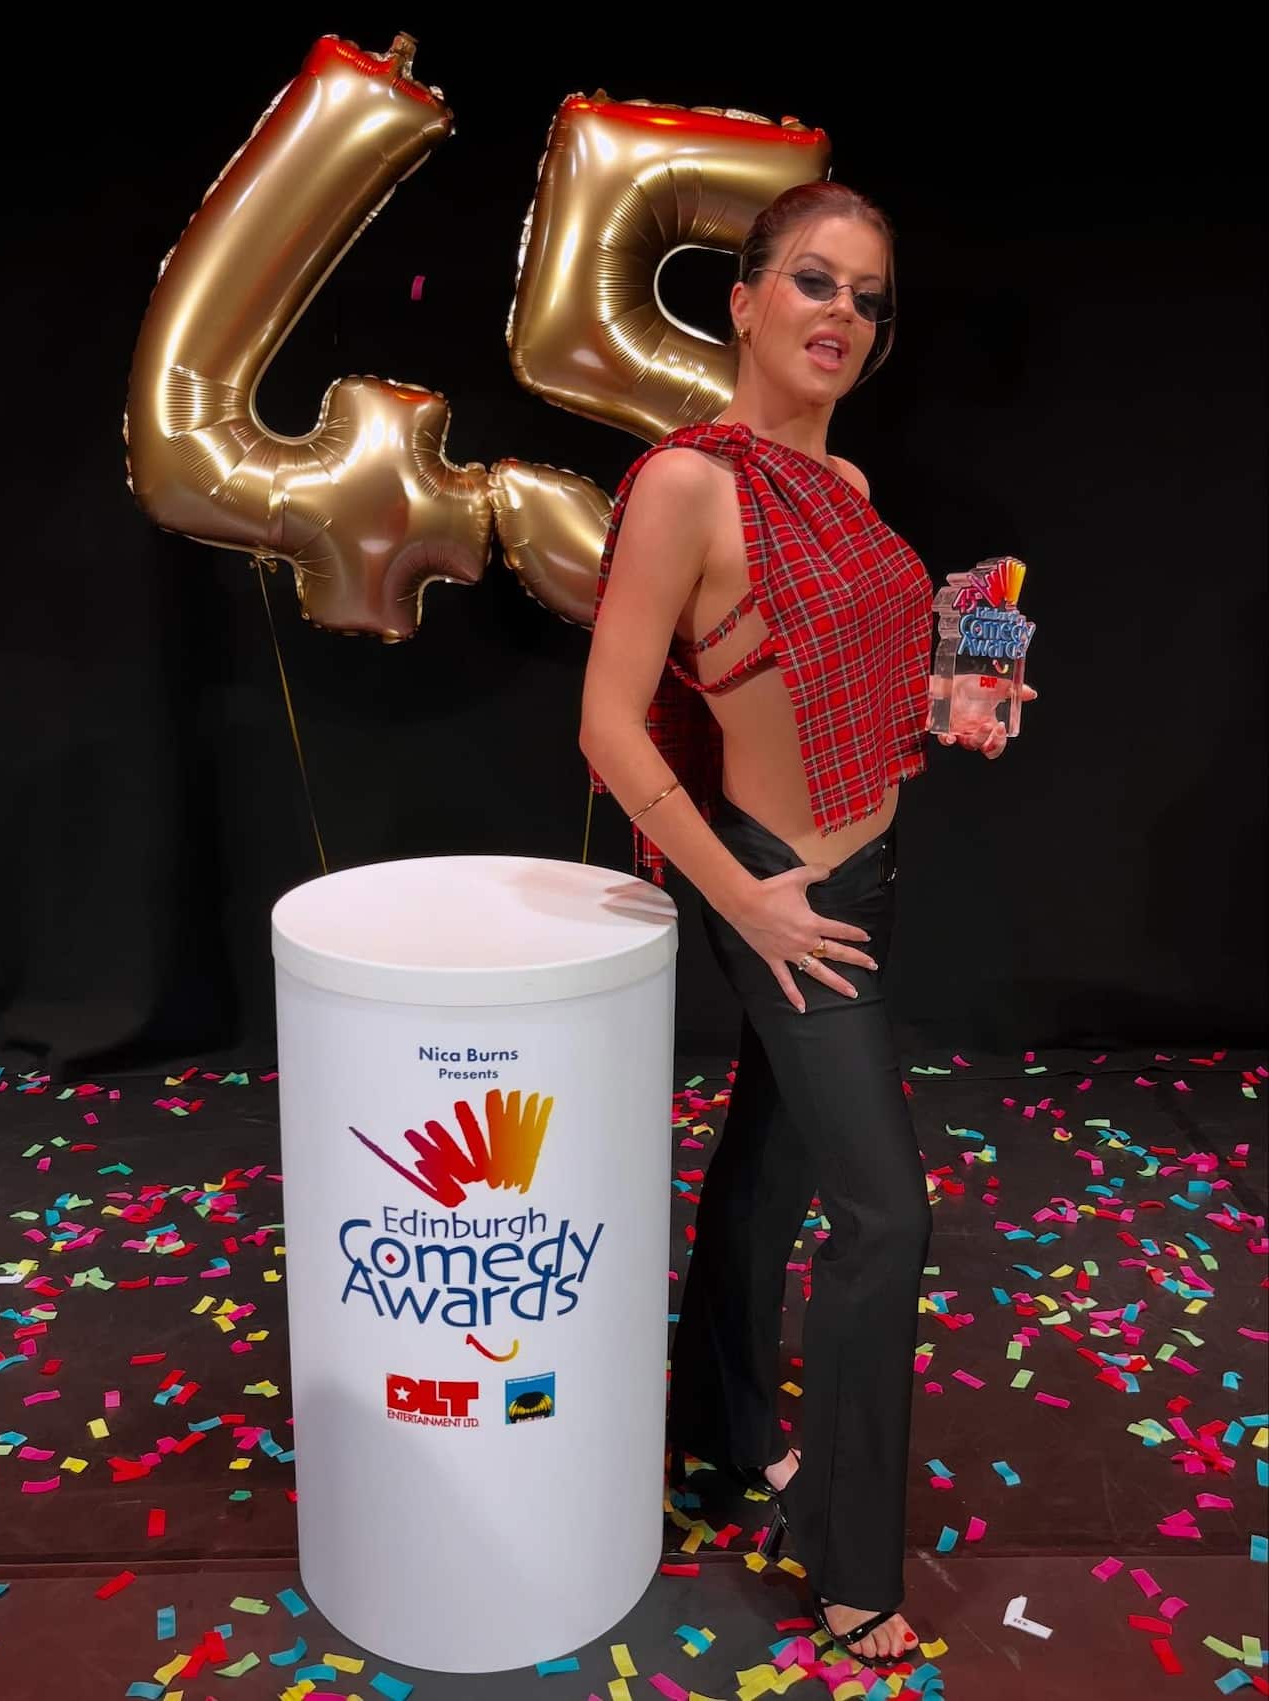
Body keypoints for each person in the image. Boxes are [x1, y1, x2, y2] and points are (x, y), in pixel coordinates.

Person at [579, 181, 1034, 1669]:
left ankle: (717, 1429)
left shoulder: (845, 497)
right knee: (886, 1214)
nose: (843, 313)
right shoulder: (690, 484)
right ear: (746, 301)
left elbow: (834, 692)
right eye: (815, 283)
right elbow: (606, 722)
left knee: (771, 1159)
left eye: (868, 298)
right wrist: (745, 896)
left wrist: (954, 701)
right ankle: (846, 1563)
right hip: (778, 891)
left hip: (866, 882)